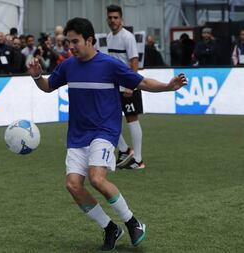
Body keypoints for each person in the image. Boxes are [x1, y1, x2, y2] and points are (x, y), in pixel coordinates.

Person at [28, 17, 187, 252]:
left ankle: (133, 223)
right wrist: (36, 76)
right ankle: (110, 227)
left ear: (90, 40)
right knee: (73, 185)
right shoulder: (68, 66)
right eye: (68, 42)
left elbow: (141, 82)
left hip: (105, 131)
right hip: (77, 135)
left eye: (75, 42)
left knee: (96, 178)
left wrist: (167, 86)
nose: (70, 47)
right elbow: (48, 86)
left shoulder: (110, 65)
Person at [106, 5, 145, 169]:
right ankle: (123, 150)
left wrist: (131, 85)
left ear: (121, 19)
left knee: (131, 118)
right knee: (108, 118)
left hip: (128, 86)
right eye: (110, 17)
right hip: (114, 86)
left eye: (116, 17)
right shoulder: (109, 37)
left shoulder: (127, 37)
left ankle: (137, 159)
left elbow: (134, 60)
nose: (113, 20)